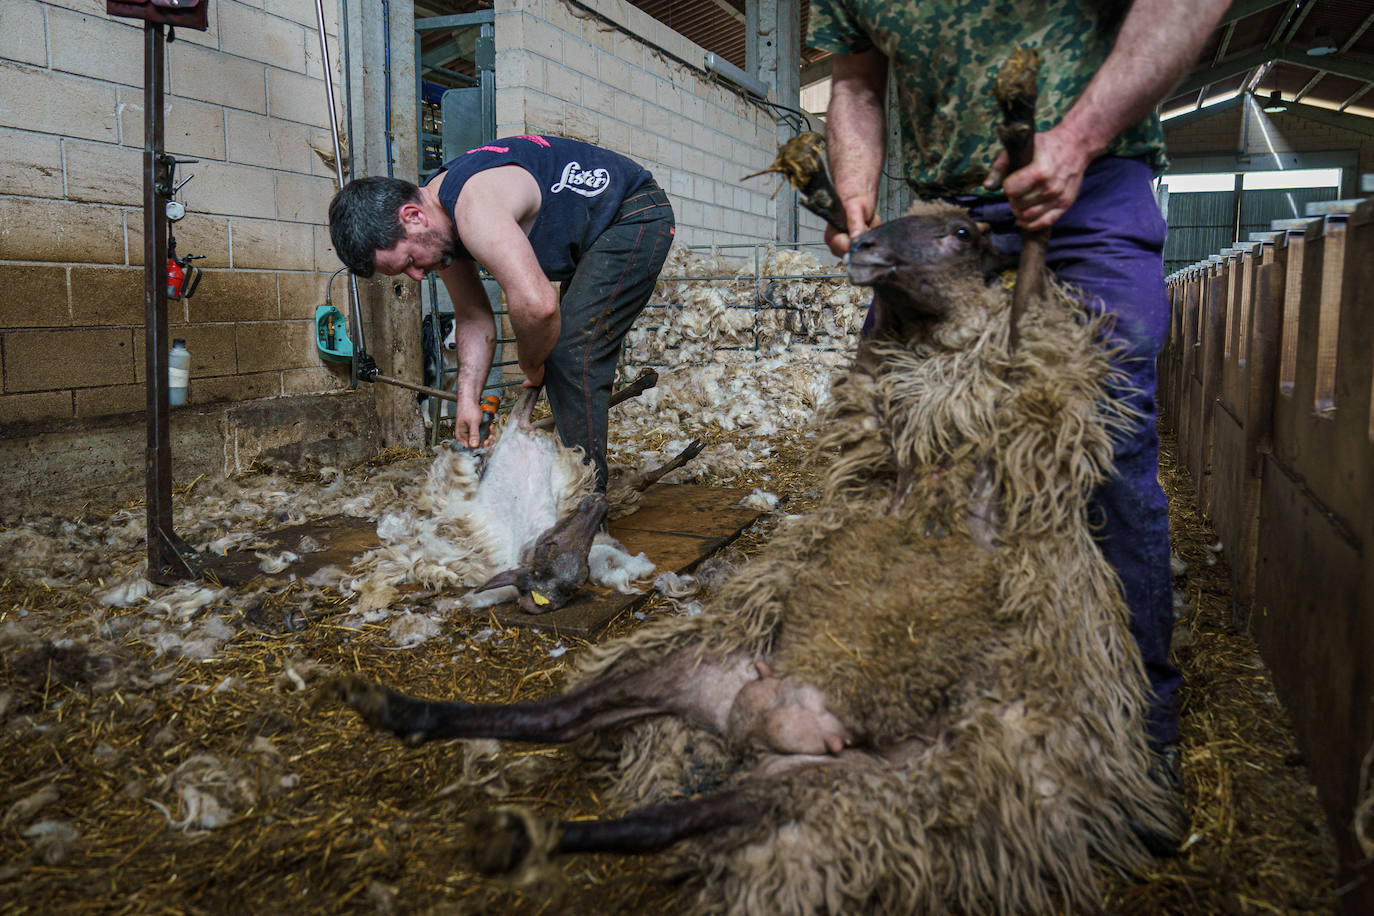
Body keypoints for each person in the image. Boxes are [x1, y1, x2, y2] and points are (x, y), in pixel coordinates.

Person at [809, 0, 1232, 760]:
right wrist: (857, 196)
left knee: (1103, 446)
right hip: (945, 214)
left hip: (1090, 185)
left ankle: (1140, 725)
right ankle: (894, 677)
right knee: (884, 447)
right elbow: (855, 82)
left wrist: (1078, 137)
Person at [328, 134, 675, 491]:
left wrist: (531, 361)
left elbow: (538, 306)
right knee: (564, 352)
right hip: (594, 231)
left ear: (413, 216)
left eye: (411, 262)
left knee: (571, 355)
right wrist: (467, 399)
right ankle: (579, 491)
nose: (416, 275)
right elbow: (472, 316)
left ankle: (586, 504)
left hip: (633, 213)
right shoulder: (440, 224)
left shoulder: (473, 206)